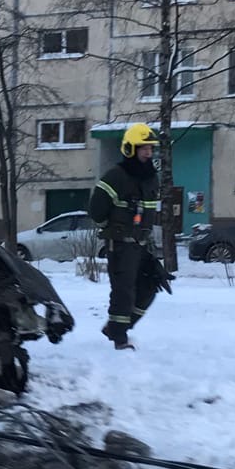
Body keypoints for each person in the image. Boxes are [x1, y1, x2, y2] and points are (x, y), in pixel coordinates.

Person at [87, 123, 170, 350]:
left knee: (151, 284)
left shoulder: (151, 179)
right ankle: (119, 339)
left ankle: (116, 326)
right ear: (130, 148)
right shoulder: (116, 176)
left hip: (142, 245)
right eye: (143, 148)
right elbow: (96, 210)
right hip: (120, 245)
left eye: (150, 148)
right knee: (124, 291)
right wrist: (111, 229)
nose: (148, 152)